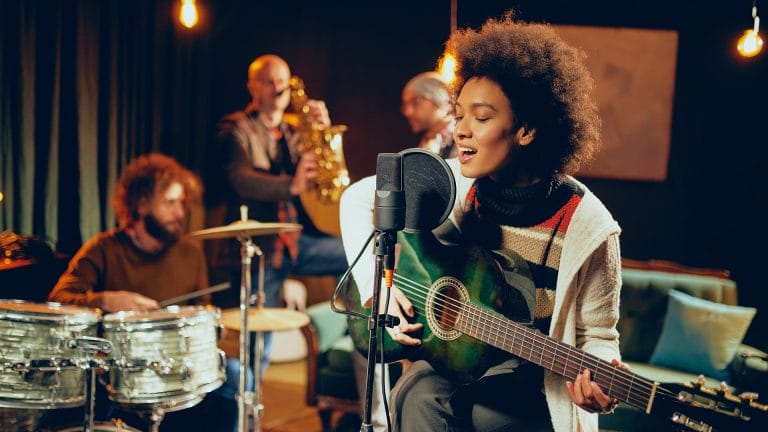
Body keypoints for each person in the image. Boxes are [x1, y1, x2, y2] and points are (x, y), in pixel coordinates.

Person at [340, 13, 626, 432]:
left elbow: (599, 335)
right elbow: (359, 197)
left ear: (526, 129)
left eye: (482, 117)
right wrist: (374, 291)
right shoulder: (454, 182)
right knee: (417, 391)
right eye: (459, 115)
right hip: (459, 369)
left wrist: (600, 377)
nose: (462, 131)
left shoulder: (590, 229)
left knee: (486, 418)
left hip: (534, 389)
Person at [211, 54, 351, 429]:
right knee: (260, 345)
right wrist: (290, 184)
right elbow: (240, 178)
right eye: (270, 81)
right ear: (252, 87)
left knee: (359, 250)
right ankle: (245, 418)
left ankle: (361, 333)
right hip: (260, 250)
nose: (279, 89)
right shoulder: (236, 129)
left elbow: (328, 179)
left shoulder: (294, 130)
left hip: (297, 244)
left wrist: (323, 136)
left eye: (284, 82)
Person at [48, 152, 226, 430]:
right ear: (141, 204)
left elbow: (205, 312)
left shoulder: (191, 253)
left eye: (182, 203)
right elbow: (57, 300)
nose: (180, 213)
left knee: (238, 378)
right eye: (169, 203)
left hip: (180, 367)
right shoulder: (103, 248)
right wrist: (105, 300)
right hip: (123, 373)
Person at [401, 71, 457, 158]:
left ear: (438, 98)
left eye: (416, 101)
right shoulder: (427, 142)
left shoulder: (459, 137)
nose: (408, 112)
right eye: (405, 105)